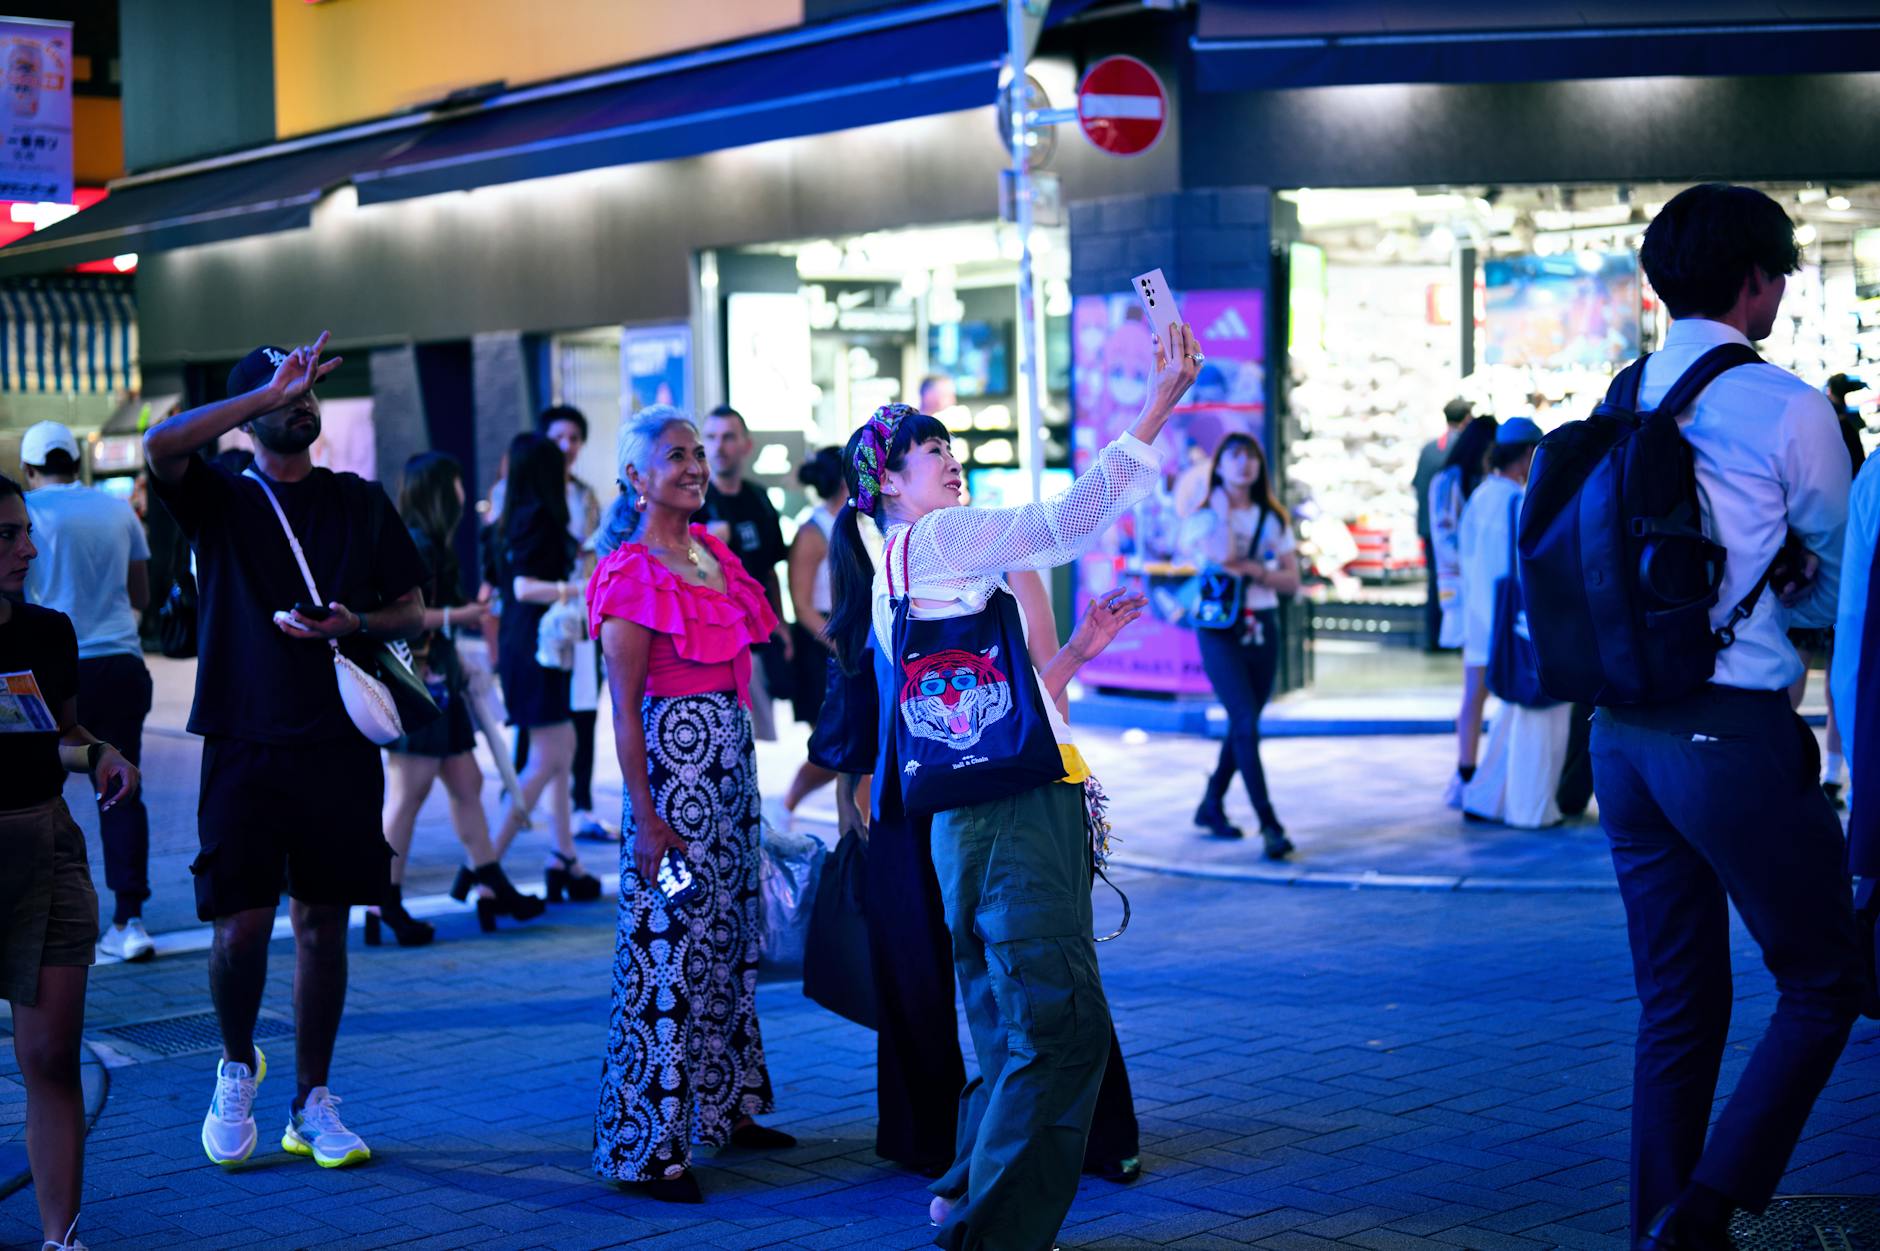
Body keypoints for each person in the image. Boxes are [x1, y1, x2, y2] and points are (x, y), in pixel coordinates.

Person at [823, 322, 1200, 1248]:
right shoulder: (933, 539)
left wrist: (1074, 651)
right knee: (1056, 1028)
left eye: (947, 447)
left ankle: (964, 1191)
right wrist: (1156, 405)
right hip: (1010, 819)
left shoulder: (920, 565)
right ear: (887, 487)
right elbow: (1068, 521)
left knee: (1006, 1028)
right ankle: (990, 1231)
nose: (945, 461)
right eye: (922, 454)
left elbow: (1003, 693)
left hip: (982, 818)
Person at [1588, 185, 1862, 1250]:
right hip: (1731, 734)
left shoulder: (1618, 394)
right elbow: (1839, 584)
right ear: (1754, 280)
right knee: (1822, 976)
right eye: (1780, 273)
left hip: (1620, 737)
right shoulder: (1786, 405)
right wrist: (1784, 579)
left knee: (1675, 1005)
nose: (1780, 292)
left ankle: (1654, 1222)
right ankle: (1702, 1214)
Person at [143, 336, 427, 1171]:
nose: (301, 402)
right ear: (247, 417)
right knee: (238, 929)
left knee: (322, 925)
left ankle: (312, 1100)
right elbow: (162, 445)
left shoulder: (359, 501)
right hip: (241, 733)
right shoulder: (221, 498)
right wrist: (259, 395)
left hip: (337, 740)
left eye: (306, 391)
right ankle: (237, 1065)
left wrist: (357, 623)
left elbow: (411, 608)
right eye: (281, 394)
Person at [591, 406, 793, 1202]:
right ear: (636, 478)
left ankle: (732, 1106)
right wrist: (643, 815)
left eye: (698, 454)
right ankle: (648, 1148)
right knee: (665, 952)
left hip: (729, 779)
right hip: (671, 789)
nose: (693, 465)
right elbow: (624, 707)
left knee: (728, 939)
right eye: (675, 455)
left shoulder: (713, 554)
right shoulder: (631, 572)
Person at [1, 472, 140, 1251]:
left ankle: (63, 1238)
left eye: (26, 529)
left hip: (44, 843)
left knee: (52, 1053)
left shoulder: (47, 631)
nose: (28, 546)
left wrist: (102, 755)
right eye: (8, 534)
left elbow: (58, 734)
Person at [374, 452, 545, 946]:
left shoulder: (426, 540)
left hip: (436, 683)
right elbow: (402, 616)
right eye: (455, 483)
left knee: (466, 782)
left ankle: (489, 878)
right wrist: (463, 613)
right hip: (419, 684)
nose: (463, 493)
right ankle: (384, 898)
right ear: (439, 490)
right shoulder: (420, 542)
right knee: (408, 793)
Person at [20, 421, 158, 963]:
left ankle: (35, 912)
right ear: (75, 461)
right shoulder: (118, 509)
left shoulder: (27, 512)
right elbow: (140, 592)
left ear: (31, 469)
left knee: (32, 792)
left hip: (48, 669)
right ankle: (130, 919)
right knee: (121, 788)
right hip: (120, 662)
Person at [485, 432, 601, 904]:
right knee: (551, 755)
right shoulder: (539, 518)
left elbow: (498, 586)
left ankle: (563, 858)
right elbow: (523, 586)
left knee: (558, 751)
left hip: (528, 642)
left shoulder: (505, 520)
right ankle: (485, 865)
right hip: (538, 641)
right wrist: (580, 589)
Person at [1179, 434, 1301, 858]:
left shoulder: (1274, 517)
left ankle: (1211, 804)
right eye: (1234, 455)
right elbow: (1223, 551)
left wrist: (1255, 572)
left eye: (1251, 455)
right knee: (1246, 722)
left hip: (1262, 624)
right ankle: (1270, 824)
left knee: (1243, 723)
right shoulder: (1204, 516)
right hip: (1219, 629)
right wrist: (1222, 508)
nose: (1244, 464)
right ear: (1220, 464)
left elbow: (1292, 580)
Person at [1454, 419, 1570, 828]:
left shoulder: (1481, 496)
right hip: (1513, 623)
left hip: (1484, 621)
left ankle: (1480, 790)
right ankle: (1500, 796)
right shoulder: (1514, 501)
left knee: (1498, 706)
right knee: (1522, 709)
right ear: (1526, 455)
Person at [694, 405, 792, 742]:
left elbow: (770, 570)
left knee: (749, 734)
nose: (718, 446)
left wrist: (780, 624)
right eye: (710, 437)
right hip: (707, 636)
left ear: (746, 445)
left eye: (728, 437)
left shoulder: (760, 499)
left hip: (752, 635)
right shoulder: (692, 502)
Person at [1428, 415, 1500, 807]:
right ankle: (1465, 772)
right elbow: (1447, 538)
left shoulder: (1472, 482)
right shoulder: (1452, 481)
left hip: (1474, 592)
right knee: (1475, 687)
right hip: (1468, 594)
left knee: (1477, 686)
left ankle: (1468, 771)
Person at [779, 447, 848, 816]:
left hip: (848, 640)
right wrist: (841, 646)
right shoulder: (813, 530)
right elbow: (802, 604)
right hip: (824, 648)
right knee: (835, 748)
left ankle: (860, 832)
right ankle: (787, 805)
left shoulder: (852, 522)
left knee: (858, 751)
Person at [1413, 399, 1473, 652]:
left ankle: (1434, 638)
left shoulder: (1429, 449)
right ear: (1466, 419)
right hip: (1456, 532)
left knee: (1436, 582)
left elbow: (1417, 485)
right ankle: (1457, 637)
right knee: (1460, 581)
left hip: (1430, 530)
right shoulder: (1466, 448)